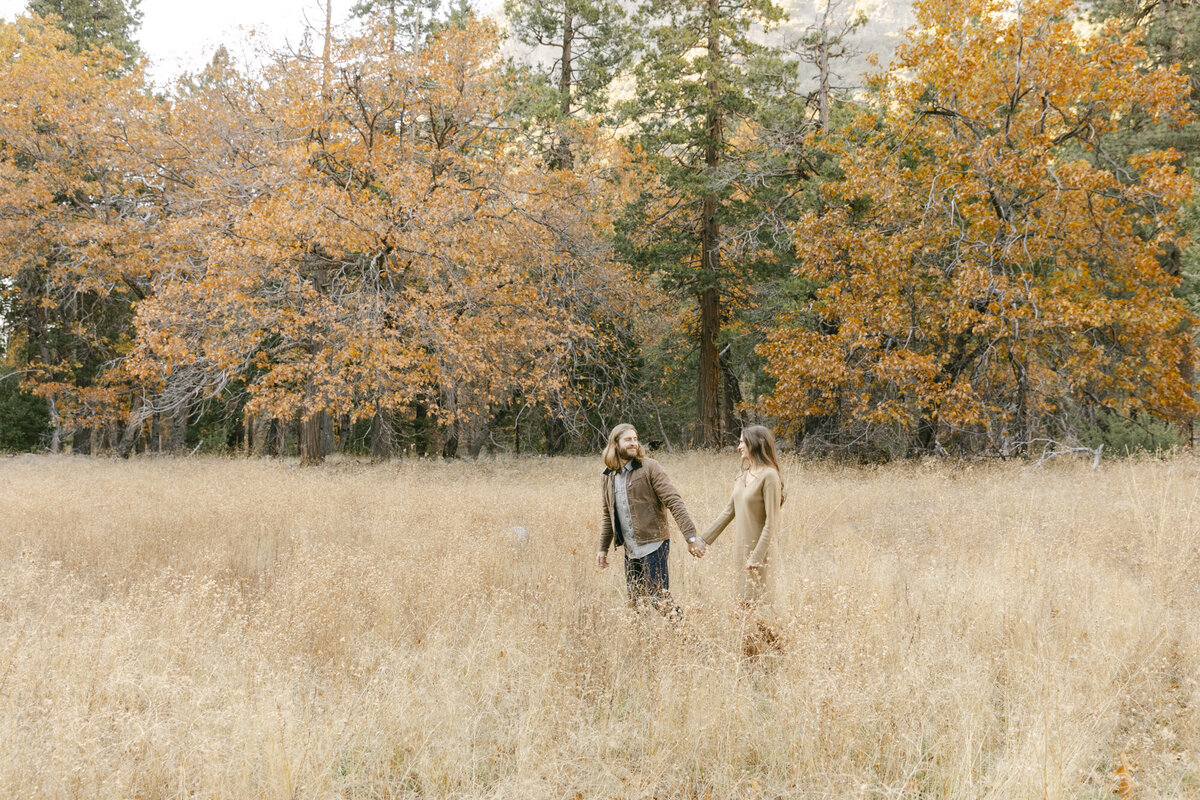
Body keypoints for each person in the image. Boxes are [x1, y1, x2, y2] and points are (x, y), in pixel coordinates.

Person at [597, 423, 706, 615]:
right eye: (628, 440)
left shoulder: (649, 468)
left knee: (660, 599)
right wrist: (602, 549)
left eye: (635, 439)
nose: (634, 444)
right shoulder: (607, 476)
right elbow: (608, 515)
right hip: (630, 550)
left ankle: (688, 640)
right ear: (615, 444)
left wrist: (691, 537)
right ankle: (645, 643)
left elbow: (674, 501)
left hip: (654, 545)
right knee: (636, 603)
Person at [701, 425, 785, 654]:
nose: (738, 447)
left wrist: (757, 557)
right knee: (742, 608)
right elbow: (728, 512)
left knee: (745, 609)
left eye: (742, 442)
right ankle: (780, 646)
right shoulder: (742, 475)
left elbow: (772, 522)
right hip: (741, 552)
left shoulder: (769, 476)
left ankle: (756, 659)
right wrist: (703, 540)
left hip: (760, 553)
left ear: (756, 444)